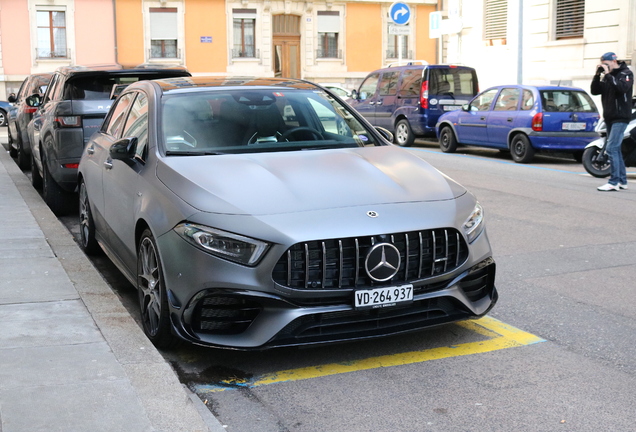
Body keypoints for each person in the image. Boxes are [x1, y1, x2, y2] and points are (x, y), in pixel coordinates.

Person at [591, 52, 634, 191]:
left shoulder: (626, 73)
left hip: (621, 117)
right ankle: (622, 181)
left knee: (611, 148)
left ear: (613, 61)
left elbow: (621, 89)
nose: (604, 65)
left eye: (605, 63)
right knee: (616, 149)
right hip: (609, 117)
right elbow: (595, 91)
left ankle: (613, 182)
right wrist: (598, 75)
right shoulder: (607, 77)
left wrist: (608, 75)